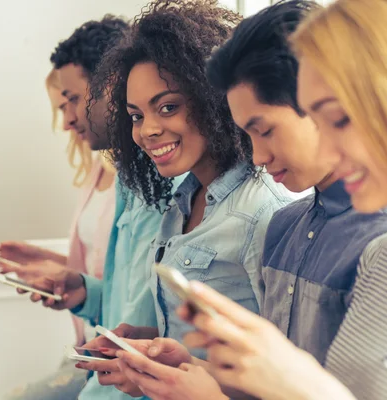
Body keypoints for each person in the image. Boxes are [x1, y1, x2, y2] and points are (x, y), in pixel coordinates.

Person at [119, 0, 387, 399]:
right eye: (319, 119)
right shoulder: (381, 260)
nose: (330, 149)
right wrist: (213, 371)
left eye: (337, 119)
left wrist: (300, 386)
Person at [108, 2, 387, 399]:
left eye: (264, 131)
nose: (259, 157)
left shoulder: (385, 243)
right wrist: (186, 365)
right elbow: (269, 375)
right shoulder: (285, 225)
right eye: (136, 115)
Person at [79, 0, 294, 397]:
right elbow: (196, 342)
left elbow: (282, 372)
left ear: (212, 98)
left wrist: (154, 375)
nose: (148, 131)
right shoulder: (182, 202)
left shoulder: (264, 211)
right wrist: (149, 344)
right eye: (137, 116)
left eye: (168, 107)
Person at [0, 16, 162, 400]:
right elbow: (120, 301)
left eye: (73, 100)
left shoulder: (159, 187)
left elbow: (144, 328)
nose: (66, 120)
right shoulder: (130, 180)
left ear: (109, 86)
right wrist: (78, 288)